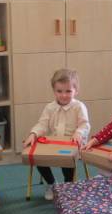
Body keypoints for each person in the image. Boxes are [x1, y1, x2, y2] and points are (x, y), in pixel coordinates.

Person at [21, 68, 90, 201]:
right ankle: (52, 184)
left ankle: (67, 186)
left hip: (72, 144)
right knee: (38, 158)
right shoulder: (50, 107)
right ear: (54, 91)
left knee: (67, 163)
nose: (63, 95)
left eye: (68, 91)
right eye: (59, 91)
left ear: (76, 91)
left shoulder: (79, 107)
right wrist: (33, 134)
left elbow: (85, 124)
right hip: (54, 143)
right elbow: (42, 124)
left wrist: (79, 132)